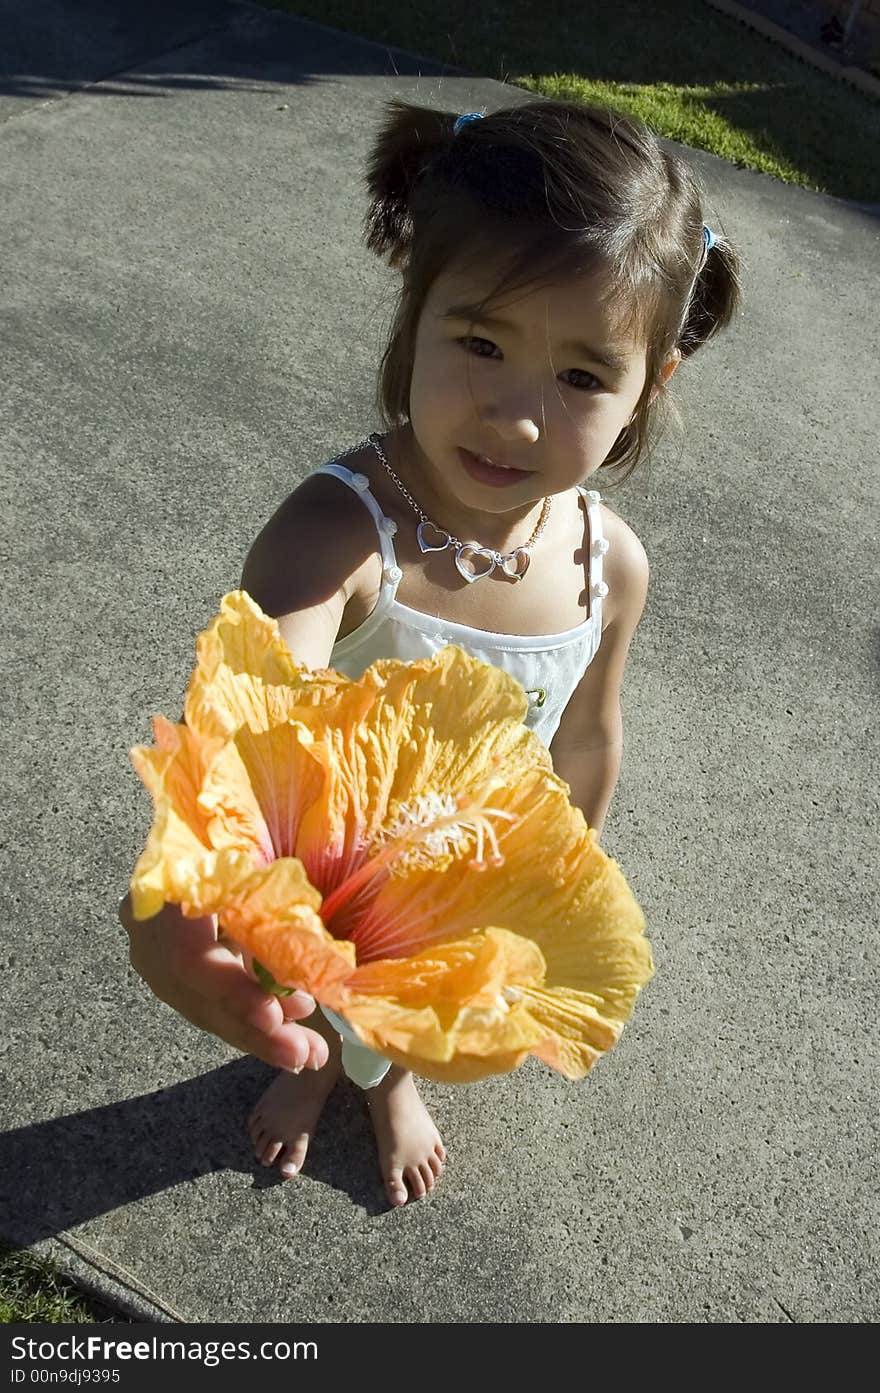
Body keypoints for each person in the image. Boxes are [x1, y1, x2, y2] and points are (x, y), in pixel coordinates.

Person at [123, 96, 742, 1208]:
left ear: (652, 382)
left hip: (457, 878)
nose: (515, 416)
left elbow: (589, 732)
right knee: (309, 1001)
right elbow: (236, 725)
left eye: (582, 376)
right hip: (318, 877)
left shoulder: (612, 562)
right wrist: (170, 910)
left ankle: (387, 1079)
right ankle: (308, 1073)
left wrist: (560, 873)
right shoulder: (342, 533)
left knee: (417, 1007)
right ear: (413, 314)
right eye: (480, 342)